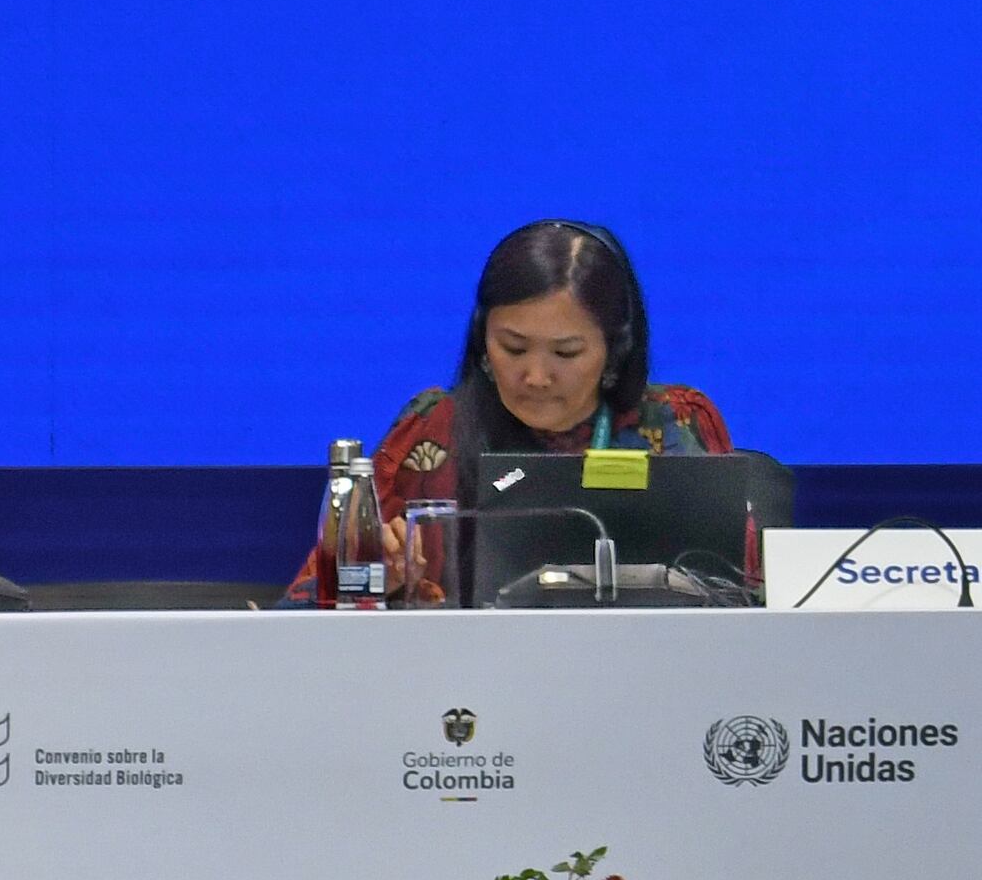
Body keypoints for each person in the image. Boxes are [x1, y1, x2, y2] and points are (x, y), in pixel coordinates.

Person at [304, 219, 735, 605]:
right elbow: (303, 607)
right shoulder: (433, 432)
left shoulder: (676, 424)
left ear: (615, 351)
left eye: (566, 353)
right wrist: (379, 581)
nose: (535, 376)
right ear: (483, 343)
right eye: (513, 347)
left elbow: (746, 596)